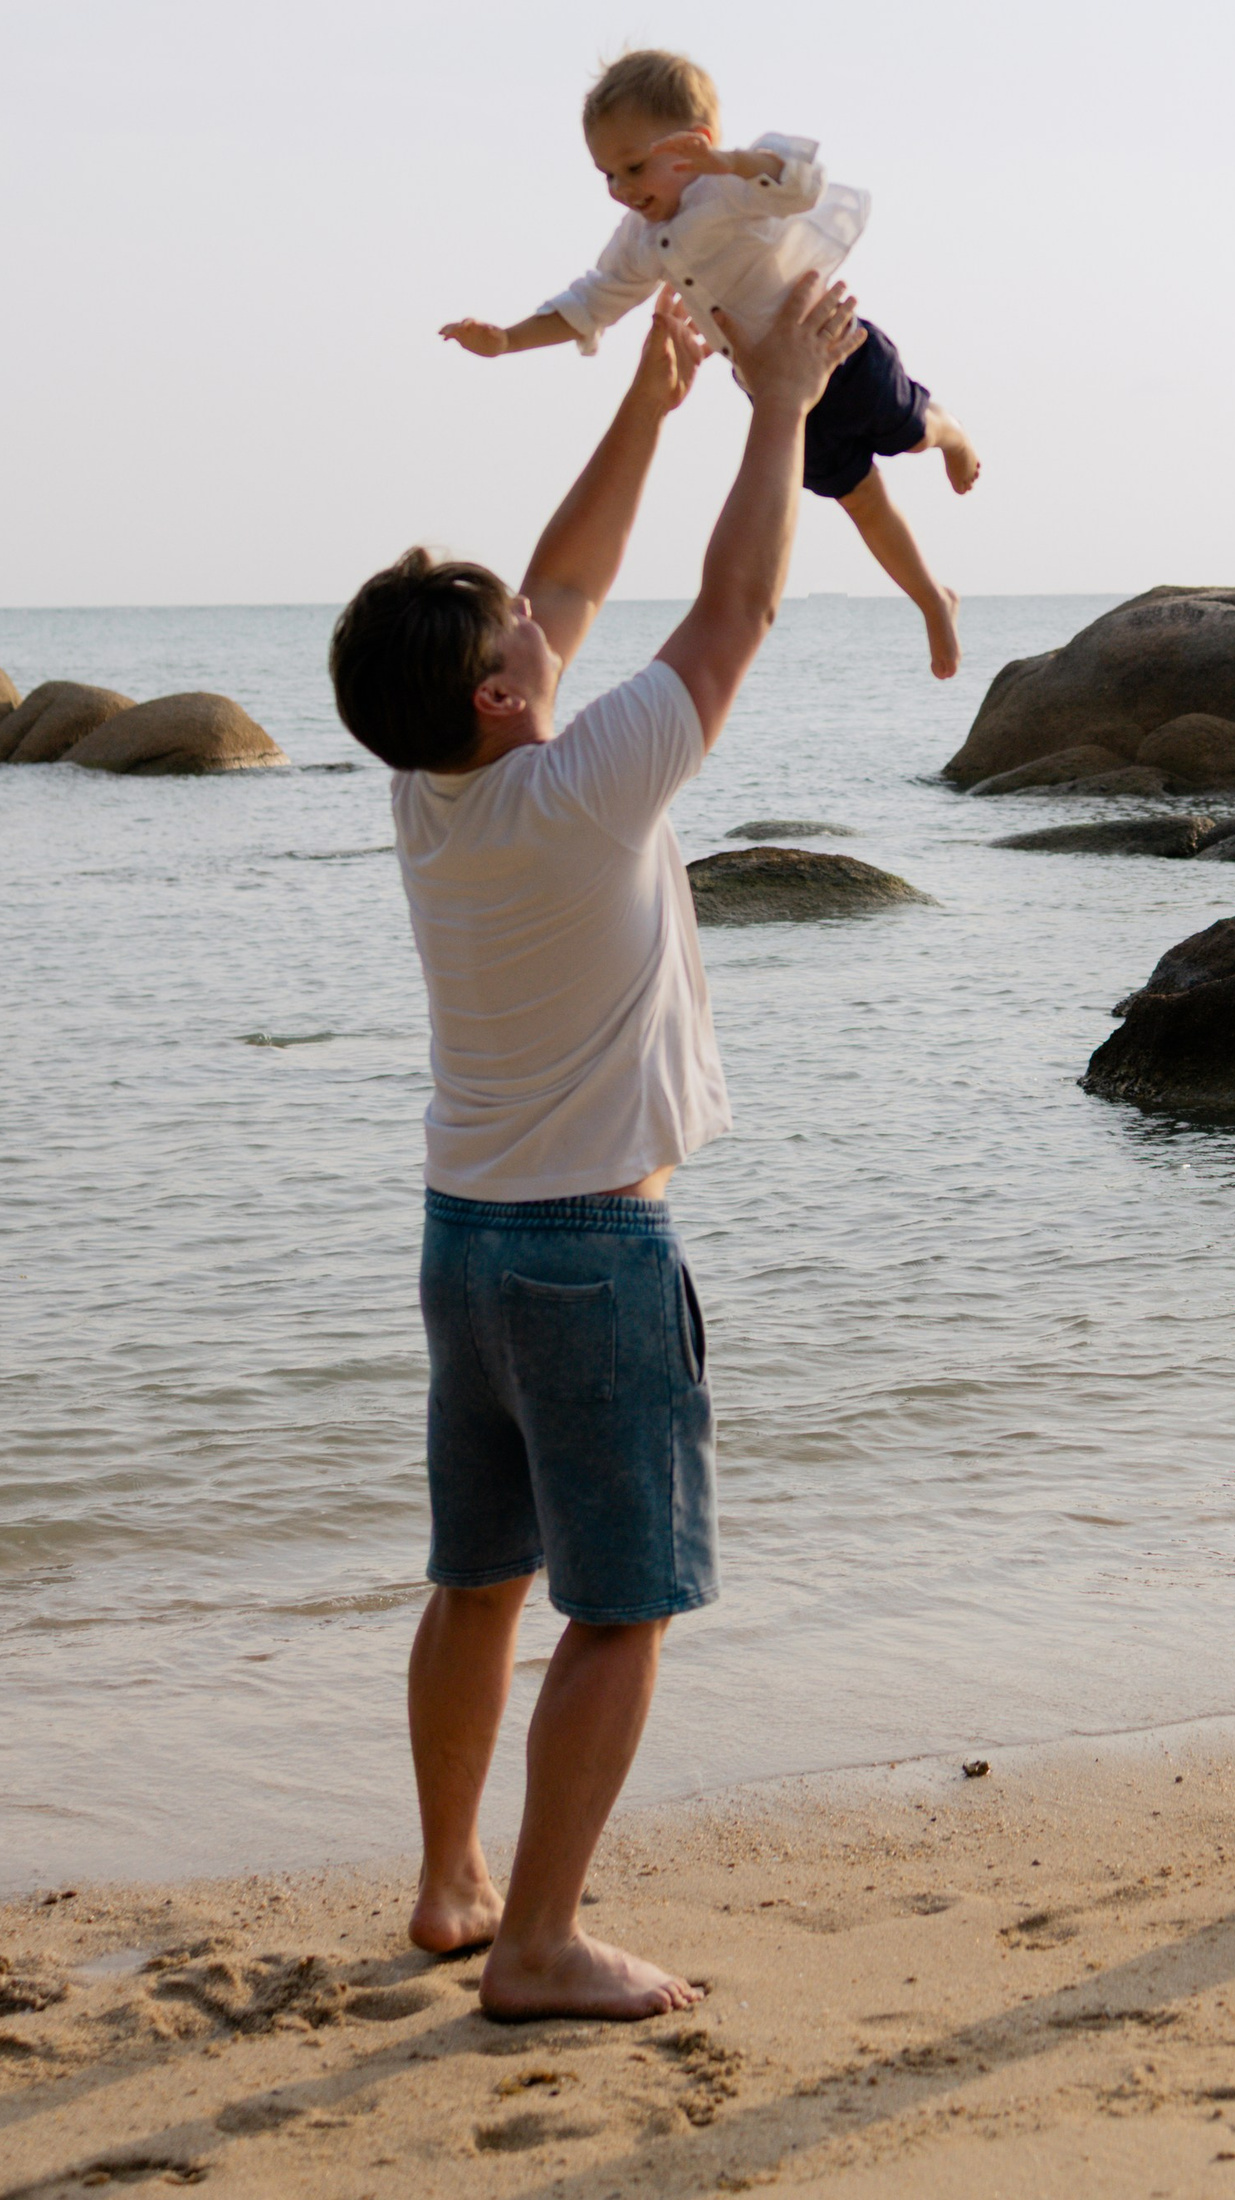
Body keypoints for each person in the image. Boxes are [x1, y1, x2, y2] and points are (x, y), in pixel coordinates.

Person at [327, 269, 862, 2019]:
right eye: (516, 640)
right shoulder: (586, 786)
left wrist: (647, 399)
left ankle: (450, 1885)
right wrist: (777, 408)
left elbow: (560, 586)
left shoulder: (430, 787)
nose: (544, 624)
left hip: (463, 1242)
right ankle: (539, 1942)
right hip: (591, 1254)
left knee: (479, 1579)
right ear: (499, 696)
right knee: (620, 1607)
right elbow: (737, 605)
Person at [438, 47, 981, 682]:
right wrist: (508, 339)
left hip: (836, 348)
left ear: (693, 145)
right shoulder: (642, 240)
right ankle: (931, 598)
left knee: (911, 430)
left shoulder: (729, 188)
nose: (622, 189)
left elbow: (802, 182)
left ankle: (952, 435)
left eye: (634, 167)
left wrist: (732, 161)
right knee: (859, 499)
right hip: (775, 393)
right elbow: (592, 301)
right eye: (607, 175)